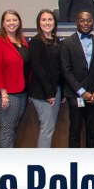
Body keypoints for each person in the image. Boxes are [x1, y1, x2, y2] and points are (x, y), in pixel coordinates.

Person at [60, 10, 94, 148]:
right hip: (75, 95)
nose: (86, 23)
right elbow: (66, 71)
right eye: (82, 20)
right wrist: (82, 92)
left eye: (89, 20)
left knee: (92, 132)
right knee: (75, 132)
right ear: (76, 22)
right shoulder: (67, 43)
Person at [0, 9, 31, 148]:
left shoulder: (23, 42)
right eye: (8, 20)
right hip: (7, 93)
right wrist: (3, 93)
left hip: (22, 91)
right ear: (3, 23)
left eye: (14, 20)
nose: (12, 23)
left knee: (13, 126)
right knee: (7, 128)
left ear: (19, 23)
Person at [28, 9, 62, 148]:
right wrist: (49, 93)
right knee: (47, 128)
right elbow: (38, 69)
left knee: (50, 127)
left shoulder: (56, 40)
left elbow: (58, 68)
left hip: (56, 90)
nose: (47, 22)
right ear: (38, 23)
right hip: (43, 92)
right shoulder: (36, 41)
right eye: (43, 20)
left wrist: (61, 92)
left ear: (54, 22)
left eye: (50, 19)